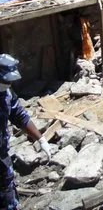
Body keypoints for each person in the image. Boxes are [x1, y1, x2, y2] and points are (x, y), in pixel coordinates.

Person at [1, 54, 51, 210]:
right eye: (5, 81)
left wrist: (40, 139)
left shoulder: (6, 94)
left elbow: (19, 116)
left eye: (10, 82)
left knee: (7, 190)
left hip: (1, 156)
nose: (8, 84)